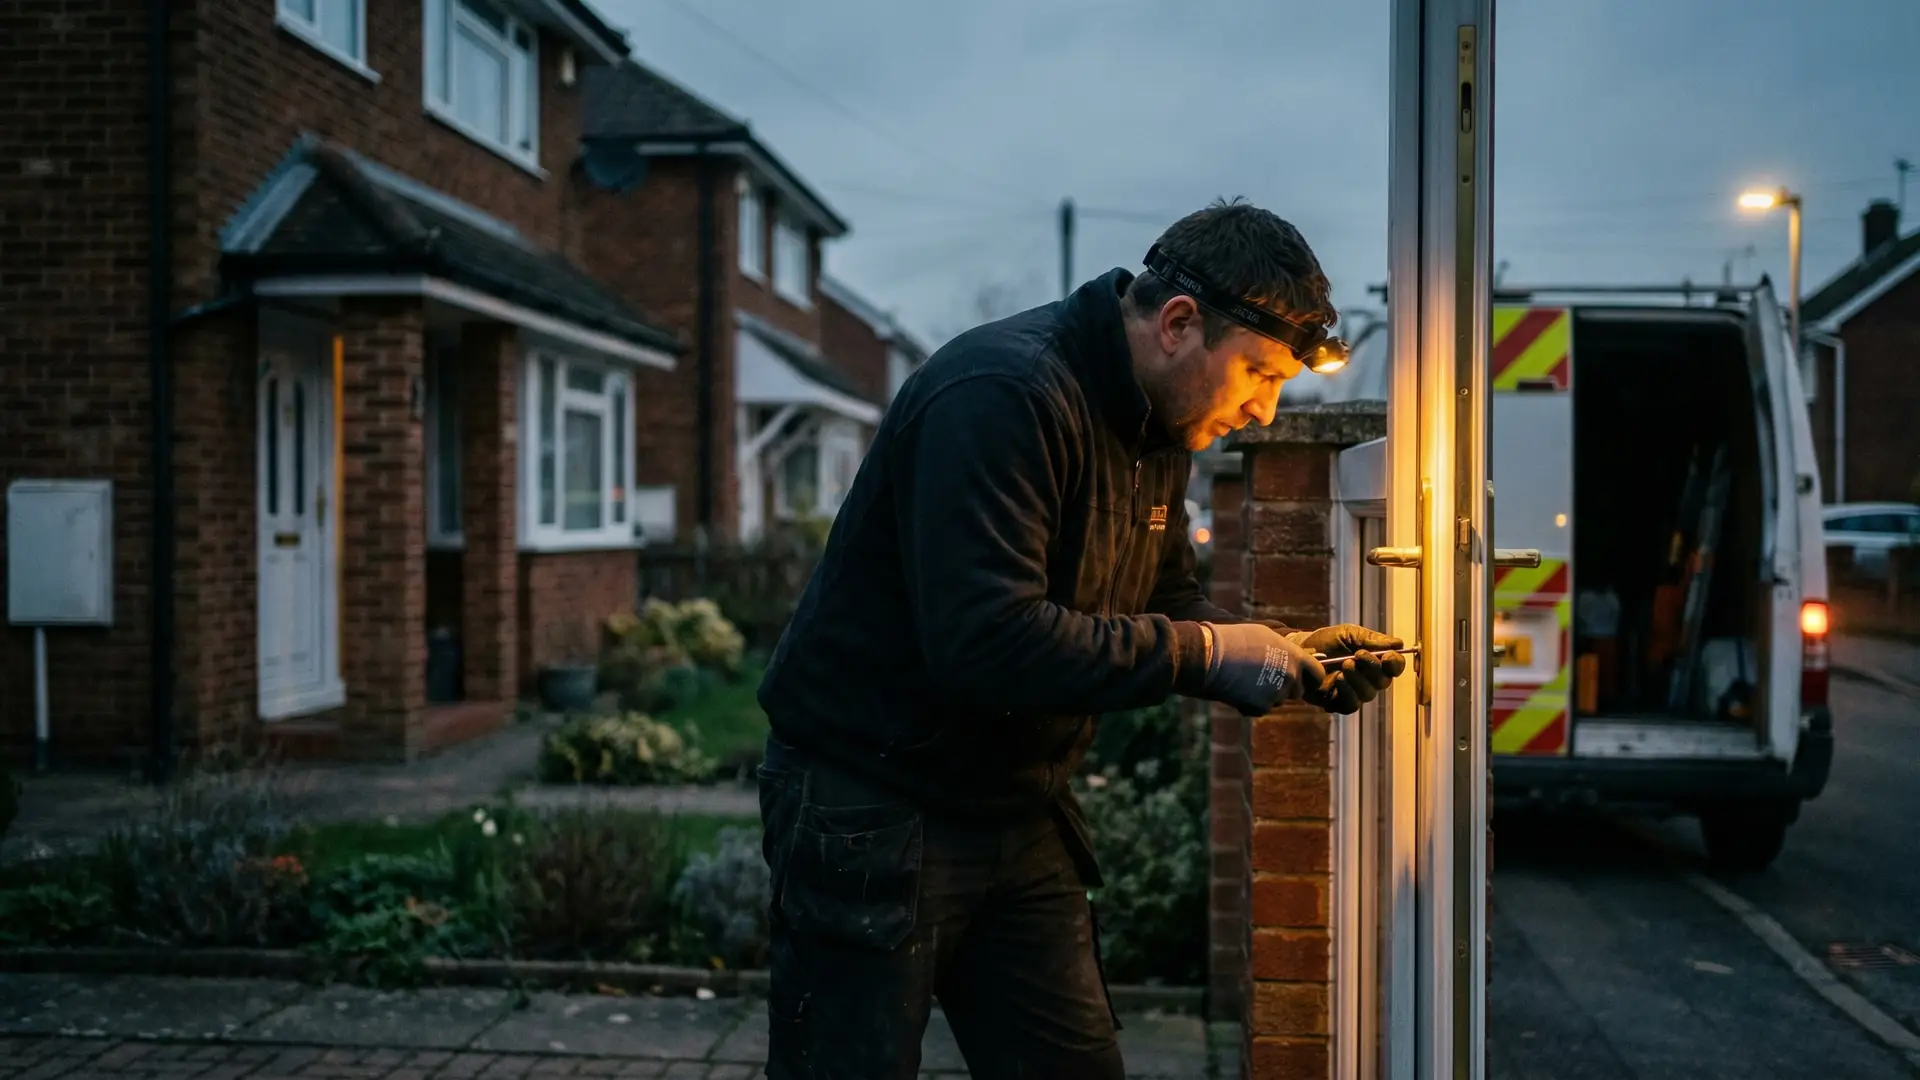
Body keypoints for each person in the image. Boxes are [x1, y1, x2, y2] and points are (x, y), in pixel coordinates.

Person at [755, 198, 1407, 1078]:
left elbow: (1169, 602)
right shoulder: (1002, 395)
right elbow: (987, 642)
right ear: (1179, 324)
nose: (1264, 411)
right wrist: (1212, 656)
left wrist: (1286, 655)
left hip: (1015, 807)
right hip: (871, 801)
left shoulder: (1158, 424)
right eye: (1258, 374)